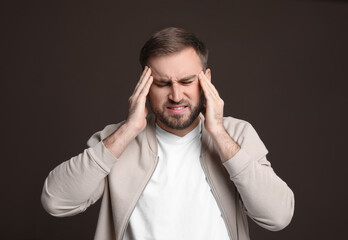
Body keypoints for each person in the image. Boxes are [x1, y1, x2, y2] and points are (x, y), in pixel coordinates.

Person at [41, 27, 294, 240]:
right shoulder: (117, 139)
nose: (175, 95)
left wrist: (218, 132)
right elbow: (56, 201)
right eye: (162, 83)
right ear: (145, 84)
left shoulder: (237, 134)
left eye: (186, 82)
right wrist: (129, 129)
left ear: (206, 80)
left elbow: (278, 216)